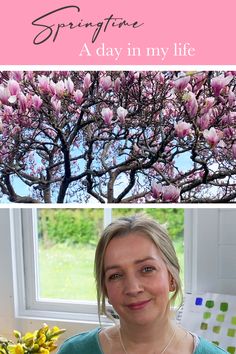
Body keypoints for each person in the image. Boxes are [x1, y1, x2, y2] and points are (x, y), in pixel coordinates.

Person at [57, 214, 227, 353]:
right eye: (115, 275)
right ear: (105, 289)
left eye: (147, 269)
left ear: (172, 278)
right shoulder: (74, 351)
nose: (133, 288)